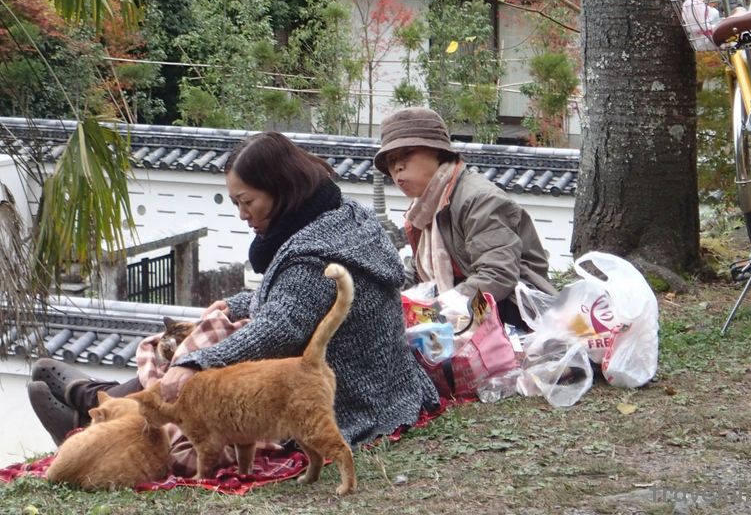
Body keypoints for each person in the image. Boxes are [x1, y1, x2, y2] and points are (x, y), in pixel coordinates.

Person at [28, 131, 439, 448]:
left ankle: (96, 413)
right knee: (212, 330)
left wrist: (198, 364)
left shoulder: (311, 255)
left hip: (350, 401)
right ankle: (98, 401)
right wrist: (235, 304)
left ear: (281, 190)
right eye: (235, 205)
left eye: (248, 202)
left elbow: (280, 326)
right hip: (386, 385)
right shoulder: (342, 215)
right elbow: (295, 302)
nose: (243, 215)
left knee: (205, 360)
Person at [373, 107, 557, 328]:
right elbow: (418, 273)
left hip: (512, 313)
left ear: (437, 152)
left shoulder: (479, 199)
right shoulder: (424, 209)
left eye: (406, 154)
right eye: (391, 160)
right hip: (469, 308)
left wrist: (440, 313)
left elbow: (499, 276)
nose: (397, 167)